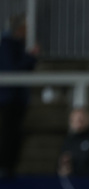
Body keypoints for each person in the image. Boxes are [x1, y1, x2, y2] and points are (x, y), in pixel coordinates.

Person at [0, 14, 39, 179]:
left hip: (17, 99)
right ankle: (5, 168)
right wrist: (31, 57)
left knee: (15, 135)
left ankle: (9, 169)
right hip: (9, 99)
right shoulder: (8, 44)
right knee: (8, 135)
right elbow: (12, 71)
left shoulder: (17, 45)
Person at [57, 108, 89, 177]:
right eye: (74, 120)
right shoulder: (69, 140)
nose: (78, 122)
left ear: (88, 119)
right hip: (70, 182)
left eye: (81, 119)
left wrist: (75, 171)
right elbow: (60, 162)